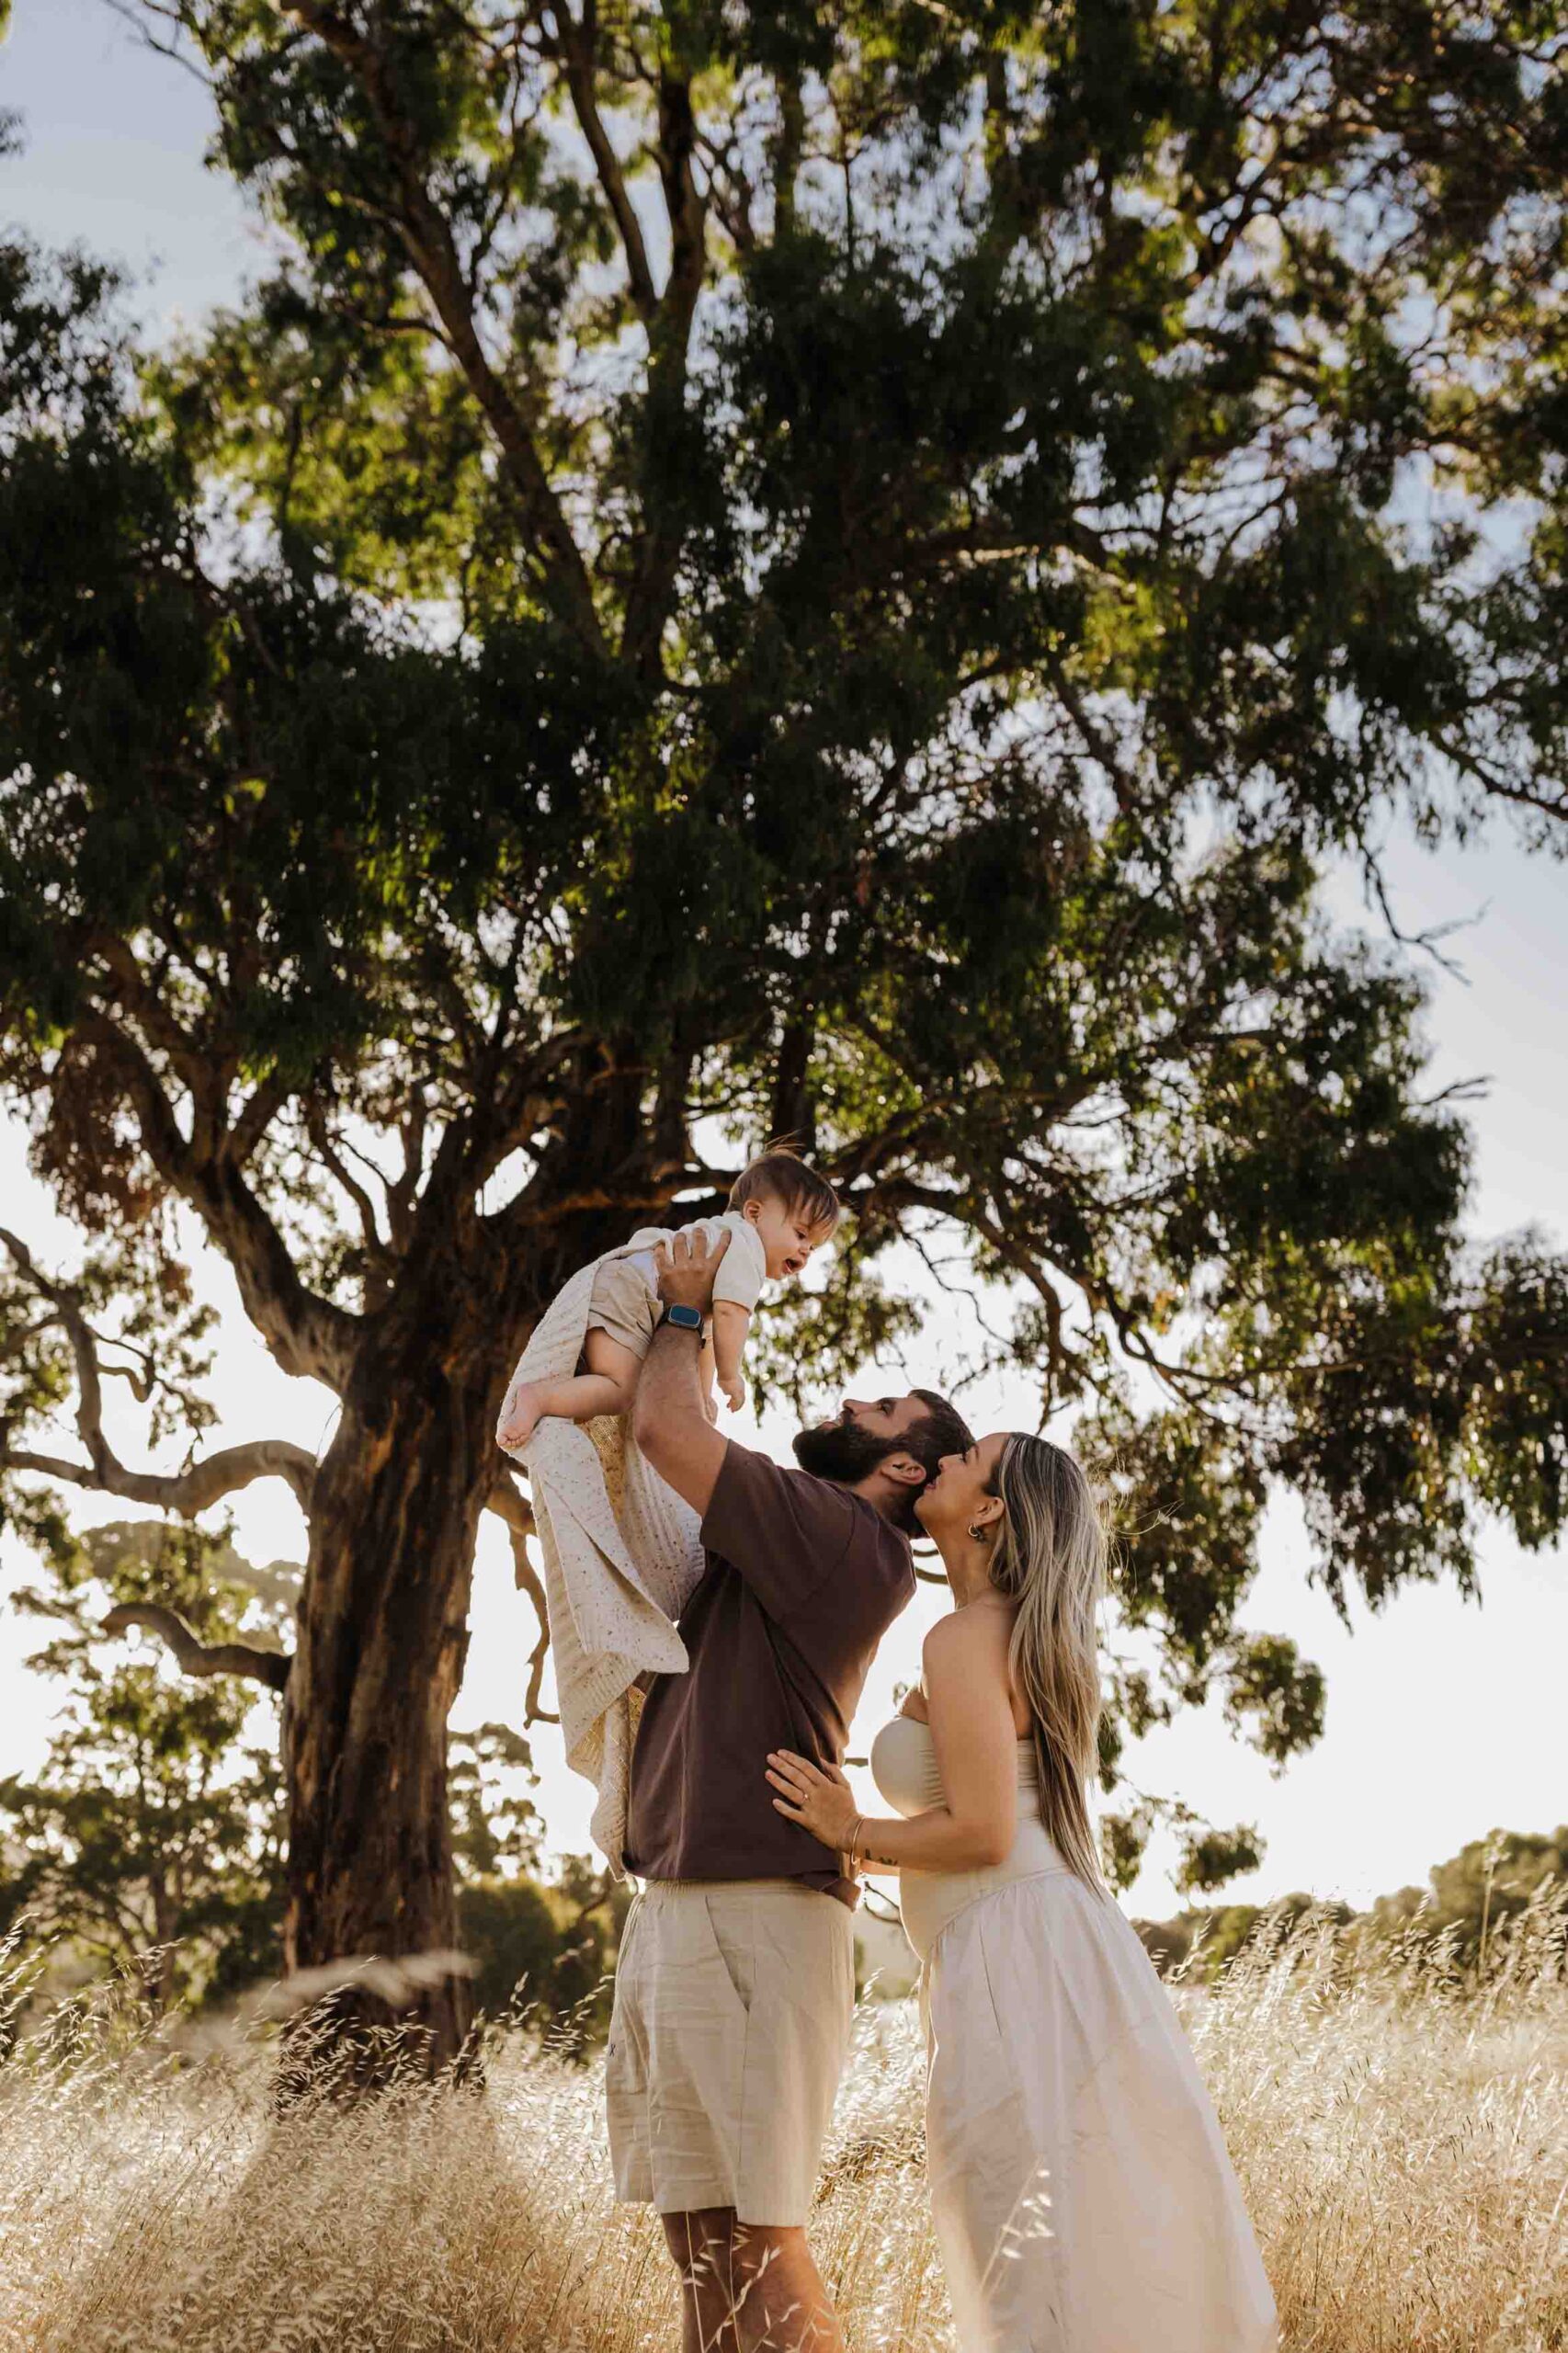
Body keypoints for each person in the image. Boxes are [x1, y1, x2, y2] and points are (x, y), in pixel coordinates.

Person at [767, 1430, 1278, 2353]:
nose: (943, 1460)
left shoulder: (967, 1634)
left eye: (965, 1459)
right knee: (1078, 2243)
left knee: (1029, 2248)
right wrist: (862, 1850)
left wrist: (849, 1827)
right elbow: (989, 1833)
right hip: (1038, 1948)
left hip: (1018, 1967)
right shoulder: (1008, 1631)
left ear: (990, 1508)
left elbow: (982, 1833)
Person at [614, 1223, 975, 2353]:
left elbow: (665, 1425)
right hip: (685, 1902)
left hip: (748, 1913)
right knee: (698, 2254)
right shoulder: (803, 1540)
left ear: (905, 1466)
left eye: (880, 1410)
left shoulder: (836, 1535)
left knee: (752, 2248)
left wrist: (681, 1309)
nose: (853, 1404)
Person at [497, 1148, 839, 1448]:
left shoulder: (721, 1236)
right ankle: (539, 1398)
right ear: (754, 1214)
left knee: (608, 1383)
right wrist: (729, 1375)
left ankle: (557, 1398)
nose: (806, 1251)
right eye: (800, 1234)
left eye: (814, 1246)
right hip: (632, 1295)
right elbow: (730, 1316)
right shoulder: (745, 1247)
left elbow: (702, 1331)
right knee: (621, 1390)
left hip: (622, 1286)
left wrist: (702, 1395)